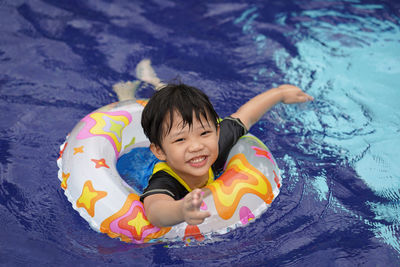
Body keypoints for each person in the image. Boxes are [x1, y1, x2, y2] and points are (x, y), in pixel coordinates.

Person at [113, 60, 313, 228]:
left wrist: (279, 94)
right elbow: (156, 209)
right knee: (154, 115)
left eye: (205, 133)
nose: (196, 146)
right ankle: (126, 97)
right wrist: (181, 210)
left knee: (175, 109)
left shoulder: (216, 143)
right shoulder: (164, 180)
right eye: (181, 140)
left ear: (216, 130)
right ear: (160, 151)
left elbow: (247, 116)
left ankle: (153, 80)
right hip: (140, 165)